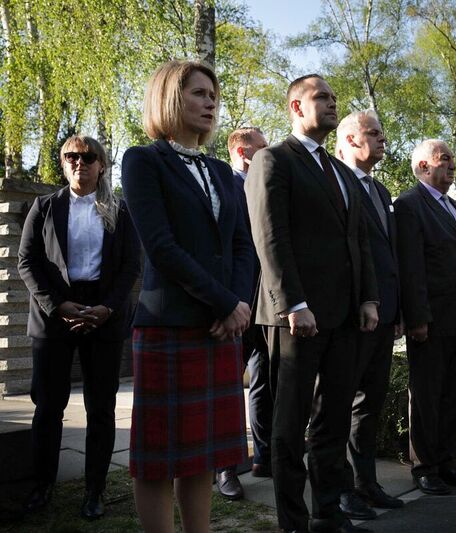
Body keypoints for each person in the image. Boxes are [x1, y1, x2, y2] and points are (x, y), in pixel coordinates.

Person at [122, 60, 255, 532]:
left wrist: (237, 305)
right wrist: (224, 302)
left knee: (203, 452)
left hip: (220, 327)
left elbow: (243, 244)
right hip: (169, 325)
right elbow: (161, 246)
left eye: (213, 94)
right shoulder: (142, 161)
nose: (211, 101)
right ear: (168, 98)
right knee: (158, 456)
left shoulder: (222, 171)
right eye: (199, 93)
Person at [245, 74, 379, 533]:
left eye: (334, 98)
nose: (331, 102)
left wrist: (368, 298)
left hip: (343, 315)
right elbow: (270, 237)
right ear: (296, 108)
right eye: (321, 96)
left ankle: (327, 510)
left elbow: (358, 241)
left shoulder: (342, 173)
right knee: (289, 421)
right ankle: (293, 521)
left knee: (334, 414)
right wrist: (293, 303)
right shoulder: (272, 160)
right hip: (295, 316)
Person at [18, 136, 140, 519]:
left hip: (103, 318)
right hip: (54, 317)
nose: (79, 163)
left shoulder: (119, 211)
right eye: (71, 156)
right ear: (63, 162)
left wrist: (107, 307)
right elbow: (27, 263)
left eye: (88, 157)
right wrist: (57, 306)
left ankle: (94, 490)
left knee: (100, 409)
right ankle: (42, 489)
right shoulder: (44, 207)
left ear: (101, 165)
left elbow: (130, 269)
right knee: (48, 408)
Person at [395, 139, 456, 496]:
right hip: (433, 320)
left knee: (452, 394)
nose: (452, 164)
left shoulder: (450, 205)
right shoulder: (409, 205)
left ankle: (446, 462)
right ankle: (424, 467)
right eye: (444, 159)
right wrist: (418, 317)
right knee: (426, 395)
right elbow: (411, 266)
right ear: (423, 166)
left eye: (453, 158)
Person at [335, 110, 404, 518]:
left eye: (381, 132)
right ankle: (341, 488)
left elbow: (388, 256)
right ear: (347, 139)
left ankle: (367, 482)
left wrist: (395, 308)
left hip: (384, 313)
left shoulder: (380, 191)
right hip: (350, 313)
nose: (381, 139)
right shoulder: (335, 183)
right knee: (339, 404)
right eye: (372, 133)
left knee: (369, 403)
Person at [214, 127, 271, 501]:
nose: (269, 155)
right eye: (263, 149)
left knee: (264, 380)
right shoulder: (224, 186)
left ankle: (264, 458)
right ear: (242, 151)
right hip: (234, 305)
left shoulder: (268, 189)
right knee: (228, 385)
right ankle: (225, 467)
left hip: (266, 305)